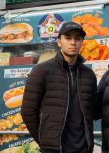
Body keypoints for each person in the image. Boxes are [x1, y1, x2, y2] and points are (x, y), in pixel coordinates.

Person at [21, 21, 97, 153]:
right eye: (68, 38)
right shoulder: (42, 70)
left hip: (83, 148)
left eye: (77, 38)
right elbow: (28, 112)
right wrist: (44, 140)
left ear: (82, 42)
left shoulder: (89, 75)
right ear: (59, 41)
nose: (73, 42)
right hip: (54, 149)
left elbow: (91, 111)